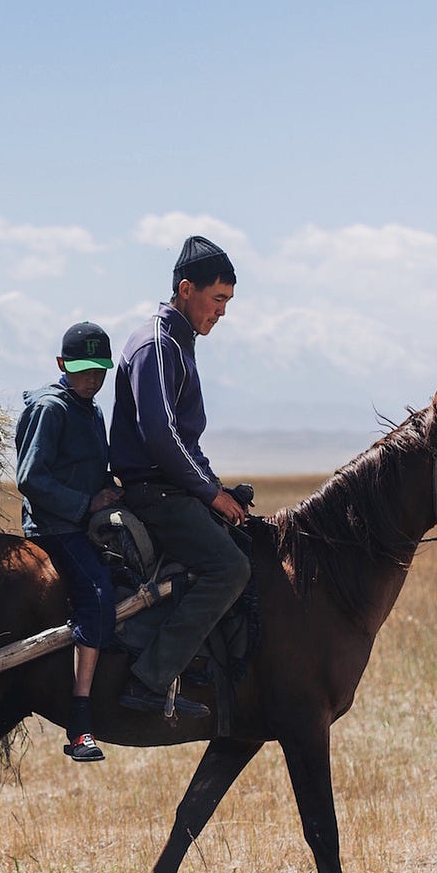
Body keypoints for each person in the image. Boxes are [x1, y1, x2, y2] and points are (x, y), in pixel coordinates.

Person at [109, 235, 251, 717]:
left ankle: (204, 669)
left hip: (173, 486)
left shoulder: (177, 342)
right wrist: (210, 495)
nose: (222, 313)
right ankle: (151, 681)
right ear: (186, 289)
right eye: (218, 300)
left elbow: (186, 442)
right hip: (156, 493)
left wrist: (220, 490)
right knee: (229, 568)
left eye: (228, 302)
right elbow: (161, 436)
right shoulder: (158, 344)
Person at [14, 322, 122, 761]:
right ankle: (80, 721)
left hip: (82, 520)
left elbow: (93, 466)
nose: (92, 379)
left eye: (99, 371)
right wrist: (86, 503)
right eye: (83, 371)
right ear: (63, 365)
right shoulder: (51, 409)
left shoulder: (91, 409)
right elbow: (29, 477)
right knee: (97, 595)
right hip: (55, 528)